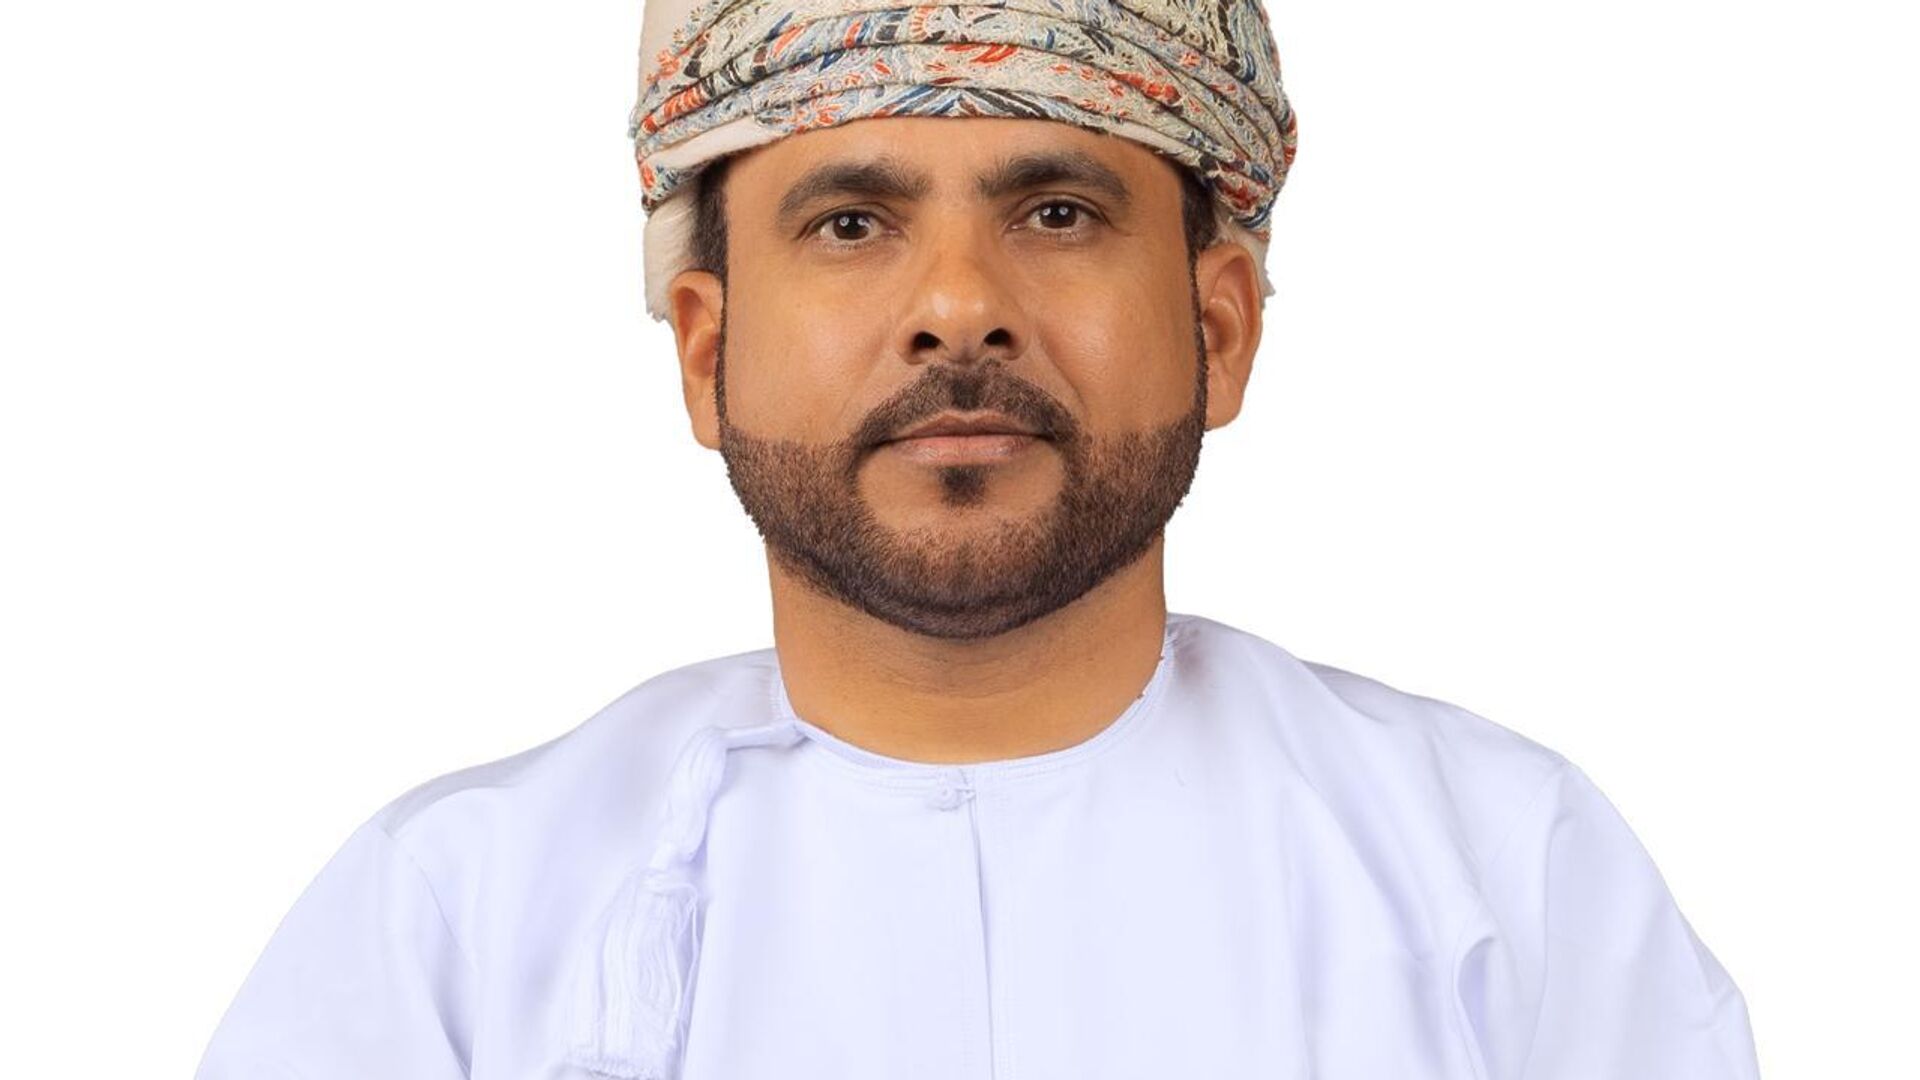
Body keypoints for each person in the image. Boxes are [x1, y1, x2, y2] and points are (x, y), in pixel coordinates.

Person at [195, 0, 1763, 1076]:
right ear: (704, 350)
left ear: (1219, 330)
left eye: (1057, 213)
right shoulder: (450, 929)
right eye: (852, 224)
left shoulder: (1506, 879)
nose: (959, 307)